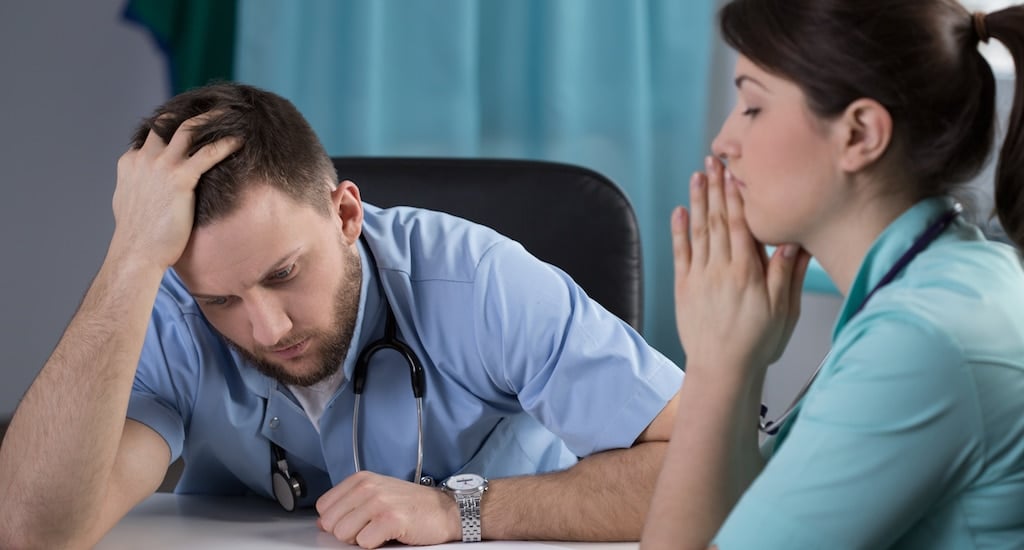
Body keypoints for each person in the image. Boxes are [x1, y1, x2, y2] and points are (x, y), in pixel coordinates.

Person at [0, 82, 683, 549]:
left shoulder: (481, 284)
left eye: (284, 274)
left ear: (346, 213)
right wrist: (129, 261)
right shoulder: (170, 312)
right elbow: (34, 530)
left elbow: (700, 468)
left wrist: (461, 510)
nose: (267, 330)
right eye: (222, 301)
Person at [641, 1, 1024, 548]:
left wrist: (713, 363)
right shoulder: (936, 284)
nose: (723, 144)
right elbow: (751, 510)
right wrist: (739, 364)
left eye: (752, 105)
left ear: (860, 134)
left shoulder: (919, 340)